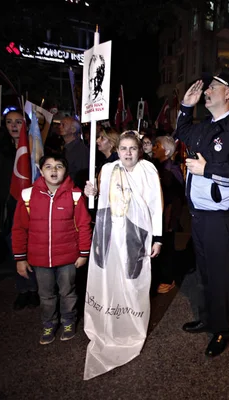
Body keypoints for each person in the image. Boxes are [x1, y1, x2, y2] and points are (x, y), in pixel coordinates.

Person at [175, 73, 229, 357]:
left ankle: (222, 329)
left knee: (221, 277)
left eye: (213, 87)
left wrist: (208, 170)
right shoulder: (204, 127)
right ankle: (207, 318)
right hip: (199, 215)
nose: (206, 91)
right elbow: (182, 132)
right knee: (204, 274)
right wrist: (186, 106)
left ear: (228, 94)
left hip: (221, 219)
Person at [82, 131, 163, 380]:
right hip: (110, 234)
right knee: (109, 278)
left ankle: (130, 325)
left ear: (140, 150)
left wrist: (158, 238)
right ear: (117, 150)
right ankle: (108, 321)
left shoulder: (148, 170)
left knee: (132, 281)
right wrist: (91, 195)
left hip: (136, 234)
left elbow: (155, 204)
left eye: (133, 148)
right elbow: (99, 204)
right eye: (123, 148)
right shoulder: (108, 170)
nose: (128, 153)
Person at [12, 154, 92, 344]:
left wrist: (83, 253)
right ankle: (49, 323)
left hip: (68, 258)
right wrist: (20, 258)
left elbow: (84, 225)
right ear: (40, 171)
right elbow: (19, 228)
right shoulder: (28, 195)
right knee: (46, 294)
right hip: (40, 259)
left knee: (68, 291)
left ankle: (68, 321)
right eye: (48, 167)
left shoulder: (75, 195)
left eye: (58, 166)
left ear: (66, 170)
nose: (53, 171)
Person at [0, 110, 39, 310]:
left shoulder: (37, 147)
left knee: (34, 251)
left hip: (34, 208)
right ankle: (24, 290)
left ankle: (35, 290)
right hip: (9, 209)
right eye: (9, 122)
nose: (14, 126)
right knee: (17, 251)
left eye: (19, 122)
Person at [151, 135, 185, 294]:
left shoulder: (170, 170)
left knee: (167, 248)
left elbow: (176, 198)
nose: (153, 148)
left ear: (167, 150)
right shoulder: (159, 166)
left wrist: (171, 221)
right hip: (161, 215)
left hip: (168, 217)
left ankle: (168, 279)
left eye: (157, 146)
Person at [59, 116, 89, 189]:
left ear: (73, 129)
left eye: (63, 124)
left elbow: (82, 176)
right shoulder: (65, 147)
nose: (59, 127)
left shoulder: (81, 150)